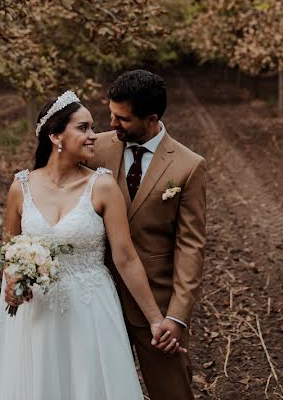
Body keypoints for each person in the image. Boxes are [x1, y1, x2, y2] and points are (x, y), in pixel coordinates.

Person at [0, 91, 179, 399]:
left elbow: (126, 258)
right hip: (38, 313)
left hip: (91, 310)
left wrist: (156, 319)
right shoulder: (20, 188)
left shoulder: (102, 186)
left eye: (92, 128)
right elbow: (10, 251)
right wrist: (11, 283)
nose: (94, 136)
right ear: (55, 135)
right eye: (84, 128)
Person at [90, 70, 208, 400]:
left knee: (172, 393)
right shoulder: (94, 148)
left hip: (156, 308)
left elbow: (191, 246)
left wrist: (176, 317)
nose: (111, 123)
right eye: (111, 113)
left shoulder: (188, 166)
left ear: (151, 118)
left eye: (122, 118)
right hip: (97, 301)